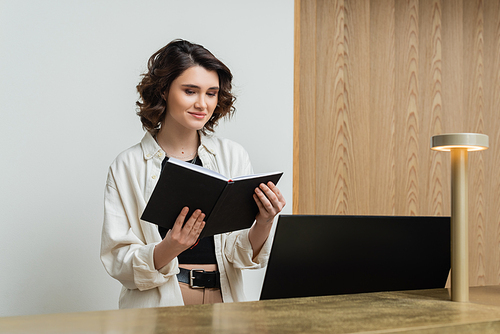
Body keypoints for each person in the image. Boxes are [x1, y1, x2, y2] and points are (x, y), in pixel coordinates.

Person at [100, 39, 286, 309]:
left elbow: (239, 255)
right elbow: (118, 262)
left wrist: (265, 222)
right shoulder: (127, 166)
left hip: (224, 300)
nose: (202, 104)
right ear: (164, 91)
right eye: (190, 91)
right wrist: (170, 247)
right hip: (160, 303)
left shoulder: (233, 156)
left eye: (211, 93)